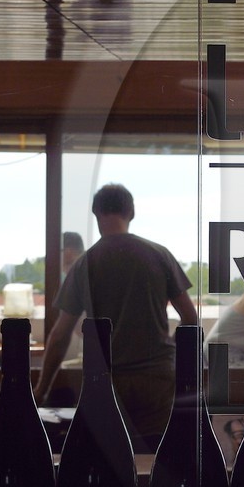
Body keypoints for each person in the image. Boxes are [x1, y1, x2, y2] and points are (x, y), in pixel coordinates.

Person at [34, 184, 198, 444]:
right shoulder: (159, 255)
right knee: (157, 454)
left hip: (107, 383)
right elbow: (190, 319)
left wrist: (41, 391)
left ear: (96, 213)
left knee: (110, 456)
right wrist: (170, 354)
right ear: (131, 212)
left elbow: (60, 335)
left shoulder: (84, 264)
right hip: (156, 380)